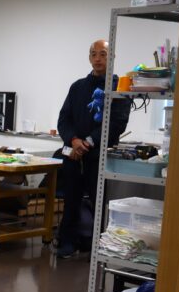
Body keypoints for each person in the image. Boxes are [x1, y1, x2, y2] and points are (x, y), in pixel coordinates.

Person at [56, 39, 131, 258]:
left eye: (103, 54)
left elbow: (117, 123)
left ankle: (99, 245)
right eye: (94, 54)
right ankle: (68, 242)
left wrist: (88, 142)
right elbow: (64, 119)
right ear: (89, 58)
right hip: (73, 154)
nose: (98, 59)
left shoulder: (120, 88)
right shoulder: (78, 87)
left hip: (98, 155)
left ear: (112, 57)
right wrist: (73, 140)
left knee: (99, 203)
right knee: (71, 200)